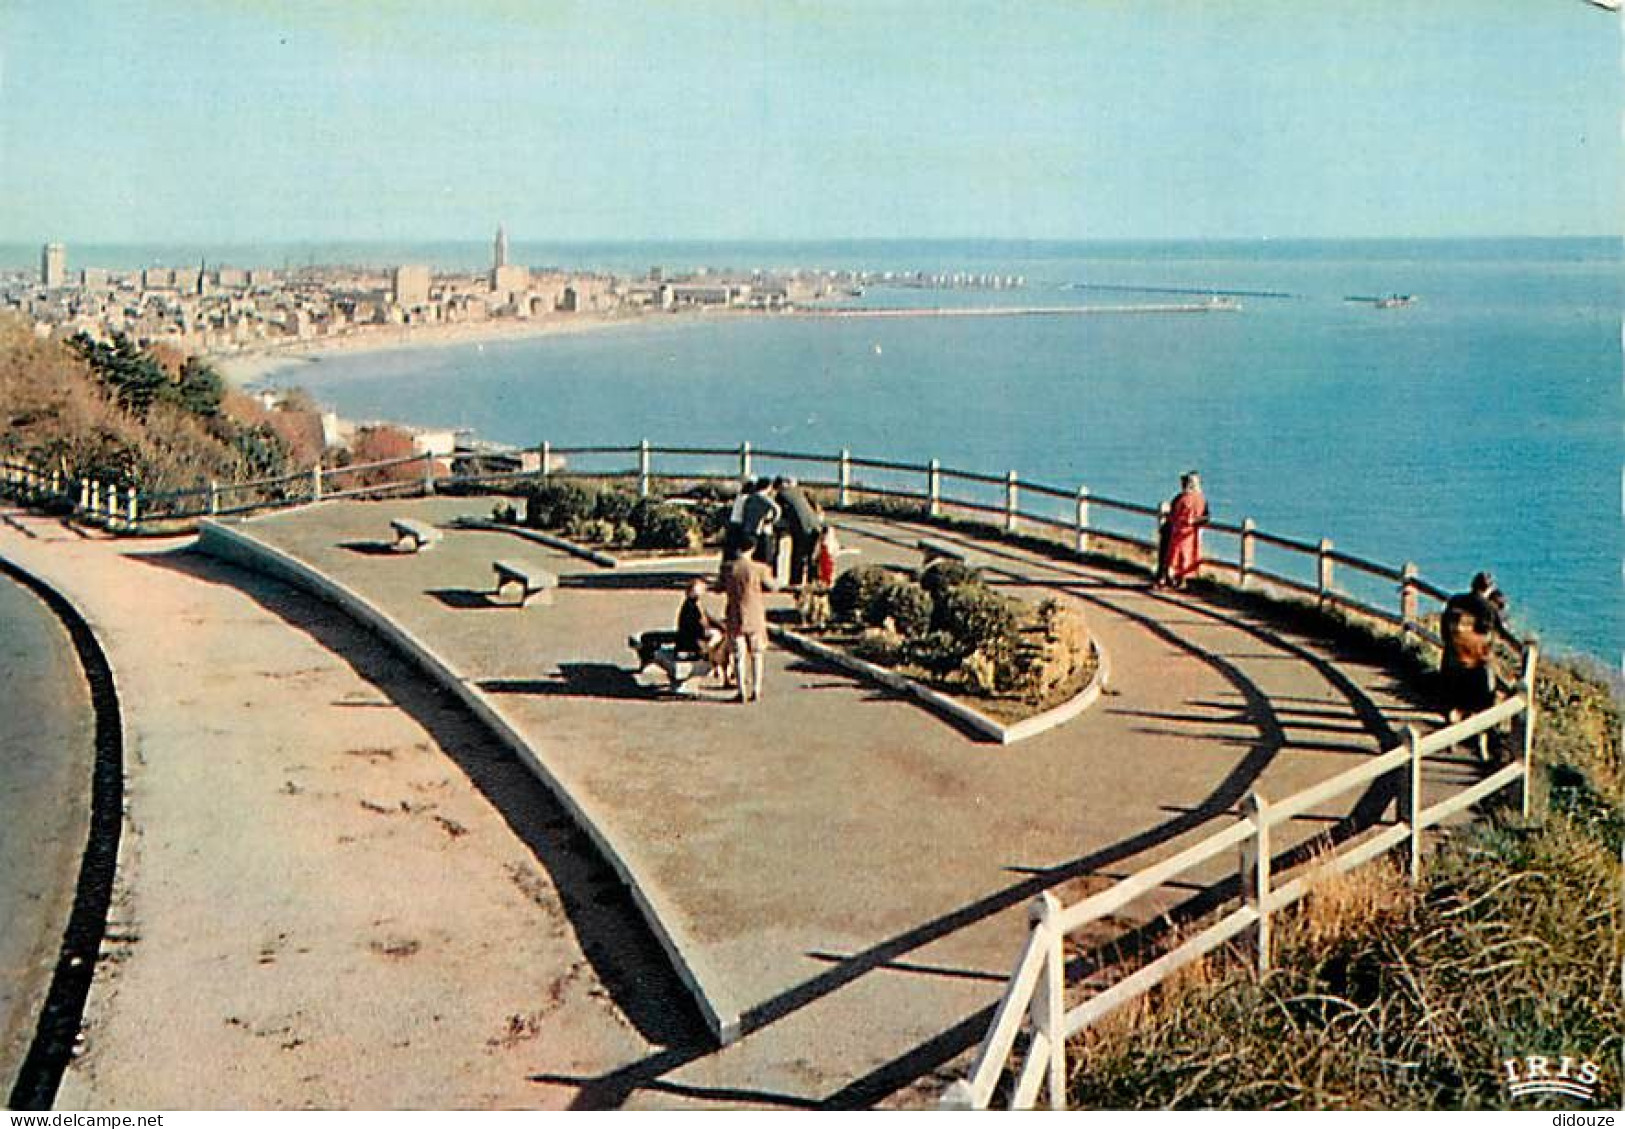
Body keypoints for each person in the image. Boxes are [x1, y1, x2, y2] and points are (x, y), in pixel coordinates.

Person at [1439, 571, 1507, 719]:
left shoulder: (1455, 600)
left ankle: (1451, 723)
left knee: (1452, 695)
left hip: (1452, 653)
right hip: (1474, 658)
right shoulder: (1489, 608)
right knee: (1479, 700)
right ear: (1489, 588)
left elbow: (1444, 624)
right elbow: (1499, 631)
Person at [724, 534, 781, 703]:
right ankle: (756, 689)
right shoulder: (759, 569)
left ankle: (741, 689)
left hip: (735, 614)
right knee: (757, 654)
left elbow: (719, 586)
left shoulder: (728, 568)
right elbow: (773, 586)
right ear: (753, 549)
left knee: (738, 655)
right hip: (755, 614)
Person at [631, 578, 728, 677]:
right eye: (702, 589)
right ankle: (715, 663)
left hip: (690, 639)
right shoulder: (692, 608)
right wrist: (712, 631)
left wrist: (721, 626)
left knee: (719, 636)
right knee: (718, 638)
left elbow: (708, 617)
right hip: (692, 644)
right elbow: (698, 628)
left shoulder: (693, 604)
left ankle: (716, 664)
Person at [1155, 471, 1210, 591]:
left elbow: (1173, 514)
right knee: (1182, 556)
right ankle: (1177, 579)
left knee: (1176, 555)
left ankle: (1171, 578)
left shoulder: (1182, 498)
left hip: (1181, 531)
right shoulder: (1199, 499)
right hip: (1186, 531)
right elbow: (1205, 517)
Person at [774, 476, 824, 586]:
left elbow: (778, 514)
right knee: (812, 556)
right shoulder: (799, 491)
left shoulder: (781, 495)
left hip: (801, 528)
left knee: (798, 555)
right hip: (815, 525)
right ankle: (812, 581)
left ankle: (795, 582)